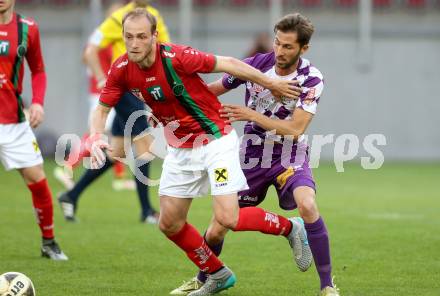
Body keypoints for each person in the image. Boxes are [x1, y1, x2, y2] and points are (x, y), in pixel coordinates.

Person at [90, 9, 311, 295]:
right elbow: (102, 108)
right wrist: (95, 136)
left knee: (228, 218)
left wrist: (272, 82)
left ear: (154, 37)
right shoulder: (121, 68)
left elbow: (229, 63)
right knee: (169, 223)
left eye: (142, 36)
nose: (134, 43)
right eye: (129, 37)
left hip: (215, 141)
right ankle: (217, 273)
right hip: (181, 149)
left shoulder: (178, 56)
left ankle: (291, 228)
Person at [171, 13, 340, 296]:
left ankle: (327, 286)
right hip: (251, 155)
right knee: (217, 228)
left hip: (288, 153)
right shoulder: (256, 64)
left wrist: (249, 114)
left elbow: (296, 129)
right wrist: (171, 107)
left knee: (307, 204)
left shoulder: (311, 79)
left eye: (288, 46)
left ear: (303, 49)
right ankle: (205, 279)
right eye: (277, 43)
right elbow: (212, 90)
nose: (279, 51)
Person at [58, 0, 171, 224]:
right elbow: (90, 50)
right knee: (145, 148)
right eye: (131, 37)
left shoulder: (153, 15)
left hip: (141, 89)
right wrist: (102, 78)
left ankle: (70, 196)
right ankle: (147, 210)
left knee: (116, 152)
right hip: (124, 89)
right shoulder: (120, 16)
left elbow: (166, 50)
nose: (136, 41)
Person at [0, 0, 67, 260]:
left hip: (15, 123)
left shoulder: (28, 29)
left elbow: (38, 69)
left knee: (38, 181)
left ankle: (48, 242)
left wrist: (38, 102)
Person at [53, 2, 134, 192]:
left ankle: (118, 177)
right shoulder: (109, 36)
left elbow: (86, 56)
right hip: (105, 91)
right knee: (103, 132)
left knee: (117, 132)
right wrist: (101, 77)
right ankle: (68, 167)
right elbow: (87, 55)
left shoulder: (107, 35)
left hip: (107, 90)